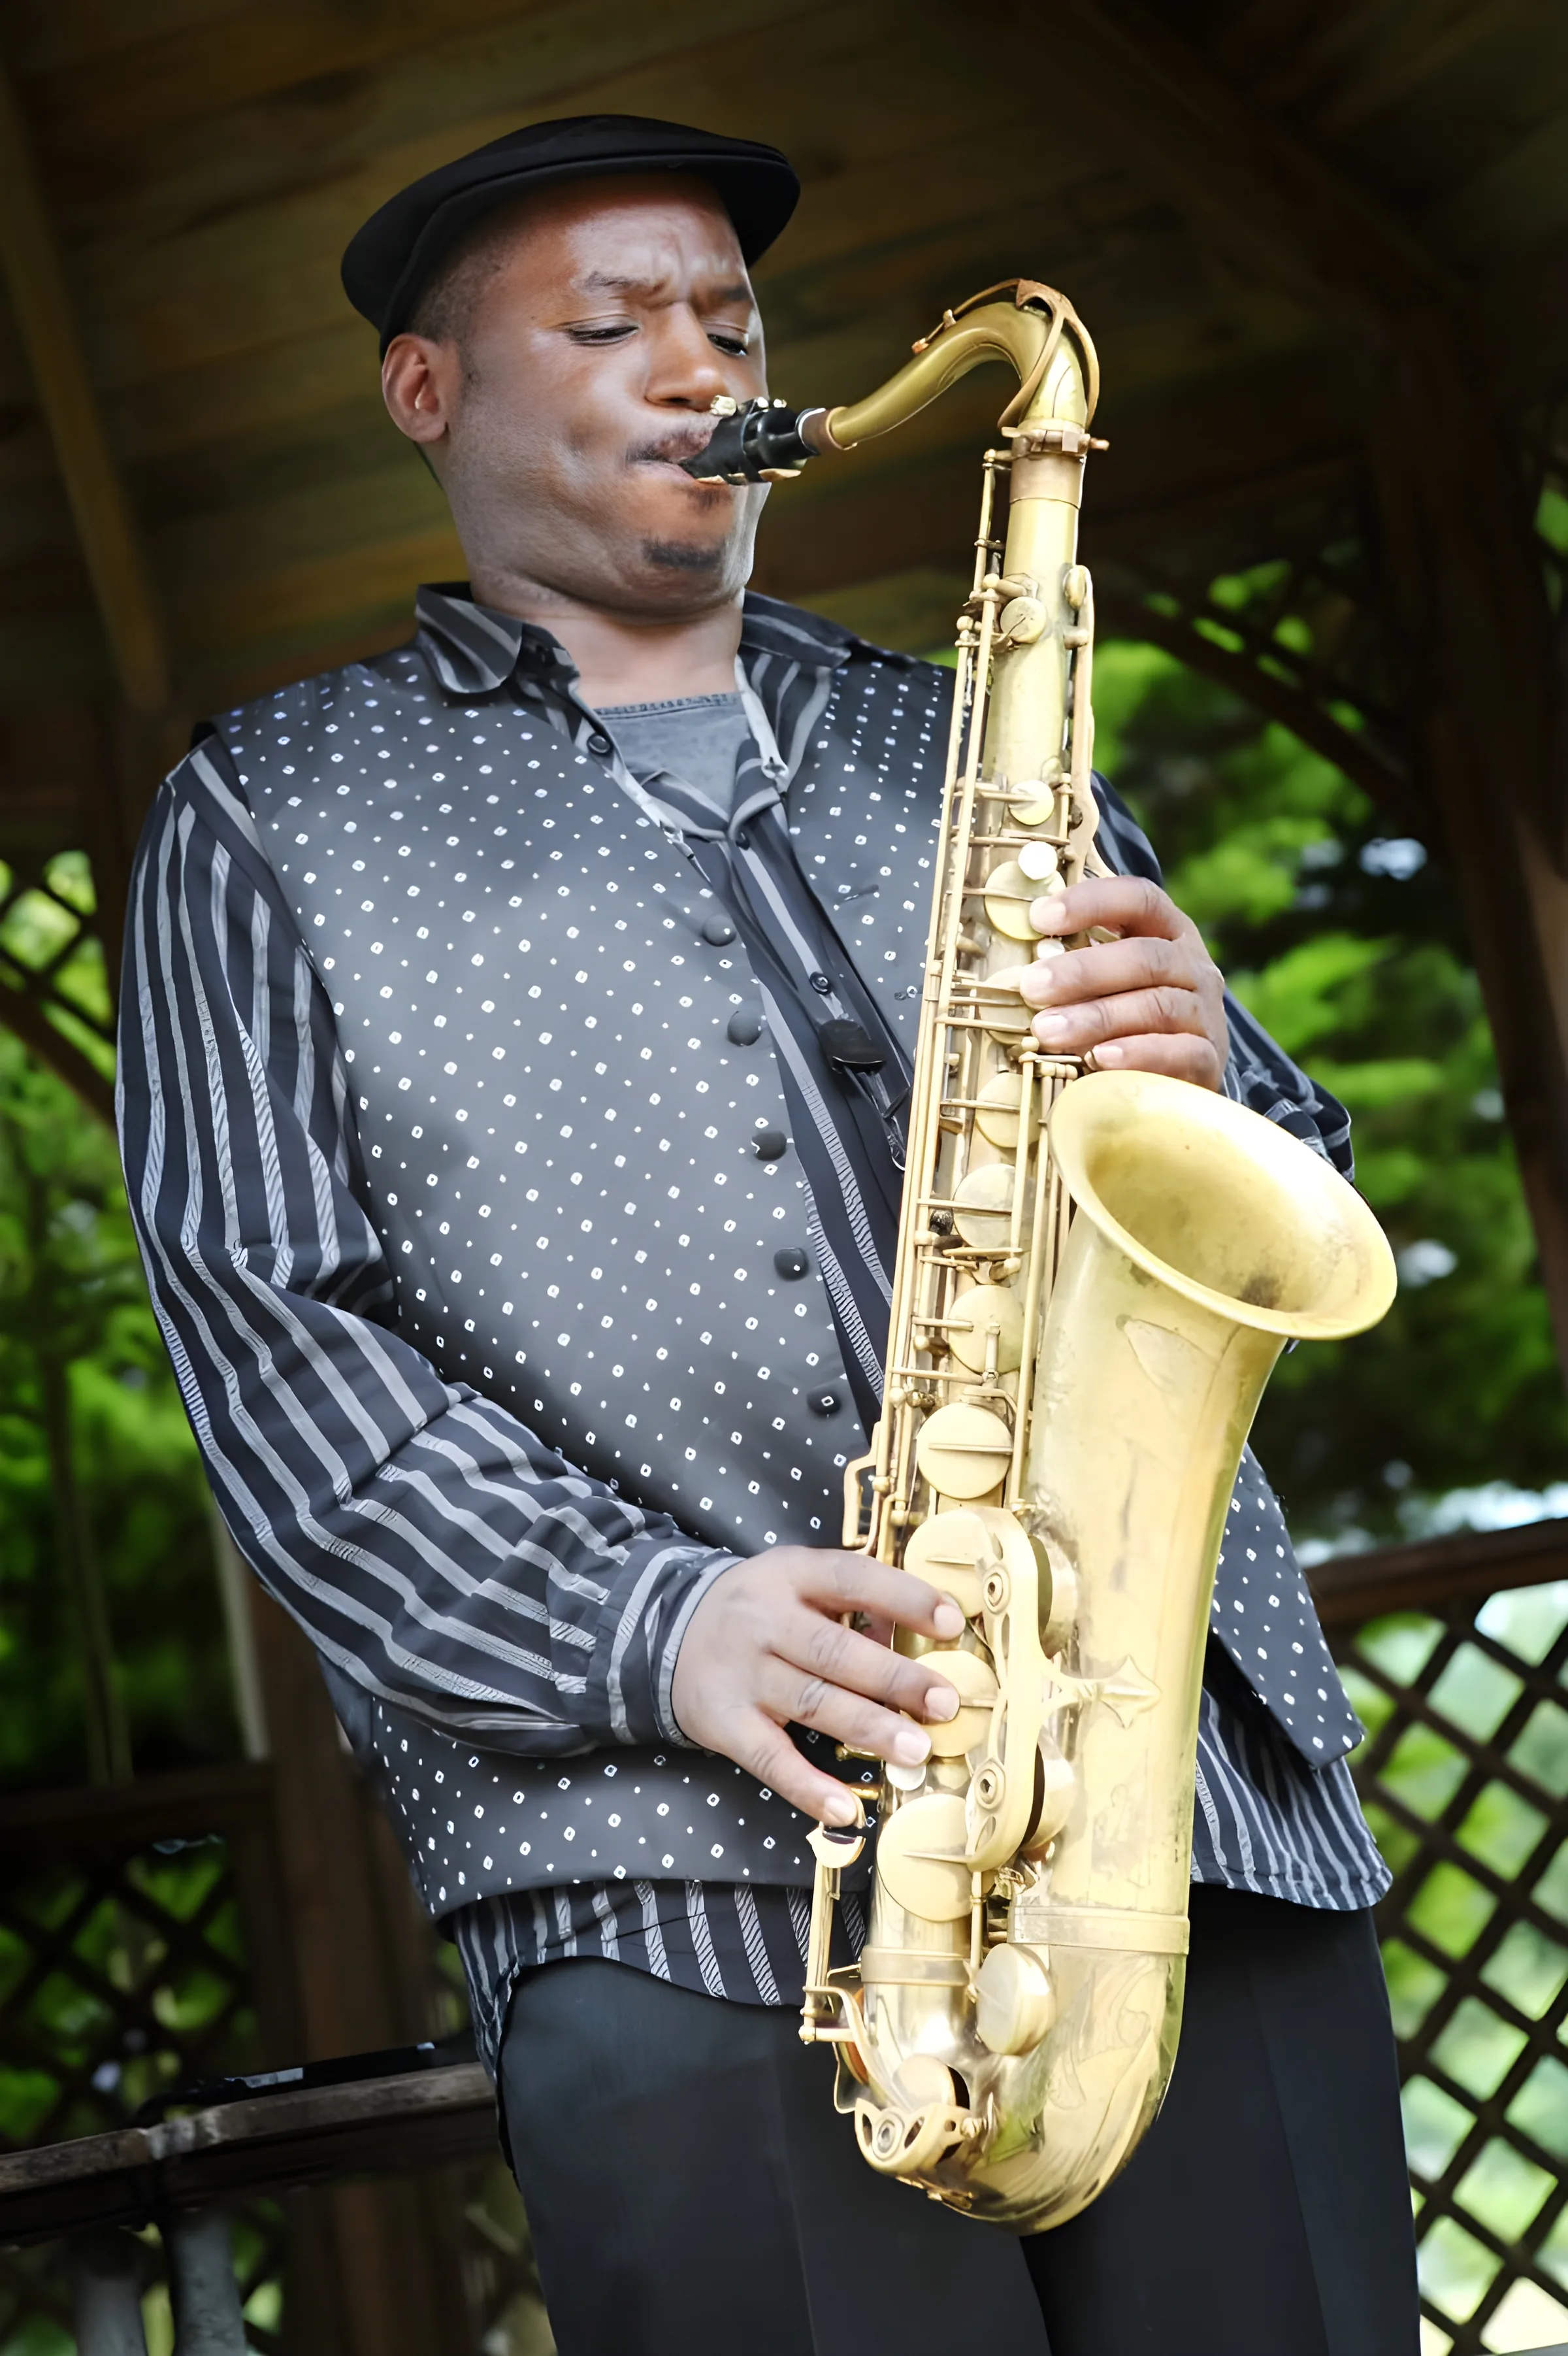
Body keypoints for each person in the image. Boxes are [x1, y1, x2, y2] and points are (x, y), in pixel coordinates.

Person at [118, 115, 1418, 2356]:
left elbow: (1275, 1200)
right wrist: (661, 1623)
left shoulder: (979, 738)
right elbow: (275, 1358)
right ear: (426, 390)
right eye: (608, 321)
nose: (697, 364)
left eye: (726, 316)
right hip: (667, 1893)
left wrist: (1208, 1060)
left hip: (1181, 1813)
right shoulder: (266, 813)